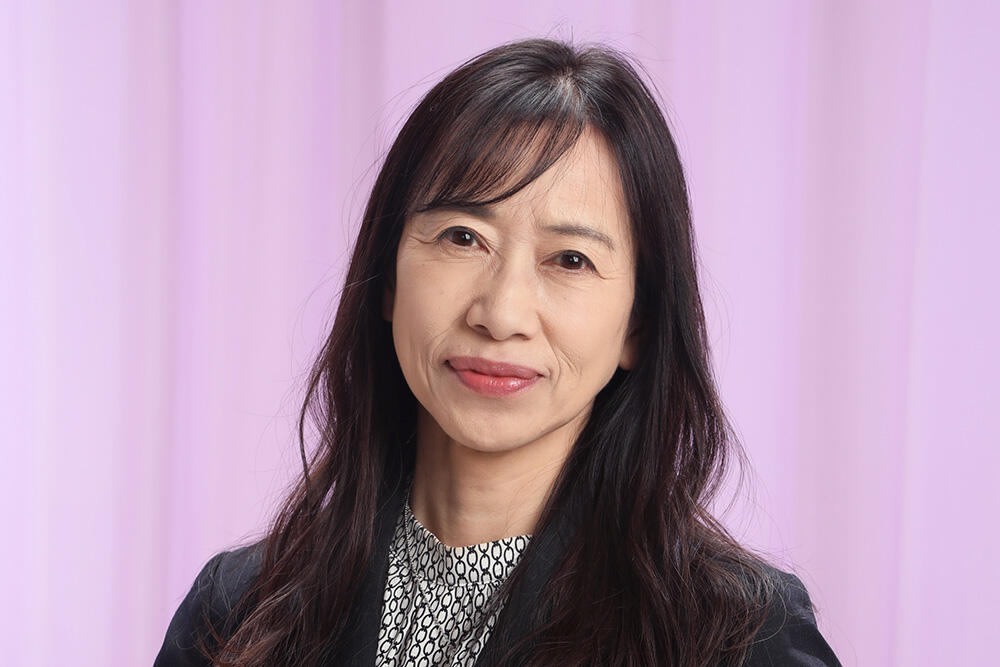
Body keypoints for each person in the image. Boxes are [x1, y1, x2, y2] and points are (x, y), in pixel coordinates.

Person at [155, 38, 841, 666]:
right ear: (387, 278)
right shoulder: (239, 613)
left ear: (638, 326)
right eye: (462, 238)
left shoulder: (738, 635)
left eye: (570, 259)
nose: (501, 313)